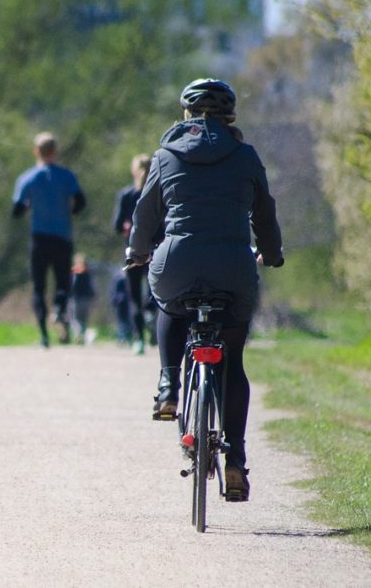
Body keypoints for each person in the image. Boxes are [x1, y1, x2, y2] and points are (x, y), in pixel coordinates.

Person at [126, 78, 283, 502]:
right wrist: (271, 253)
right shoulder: (246, 156)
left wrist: (137, 253)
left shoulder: (164, 155)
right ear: (231, 117)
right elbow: (264, 215)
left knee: (169, 303)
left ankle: (168, 385)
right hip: (233, 268)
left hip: (177, 263)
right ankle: (235, 459)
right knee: (233, 361)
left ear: (186, 115)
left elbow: (144, 215)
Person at [11, 131, 86, 348]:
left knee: (39, 287)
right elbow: (81, 202)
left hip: (39, 238)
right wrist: (70, 212)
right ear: (55, 151)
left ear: (36, 151)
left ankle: (44, 336)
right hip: (63, 236)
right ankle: (59, 309)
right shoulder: (67, 176)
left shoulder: (27, 178)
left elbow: (16, 210)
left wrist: (28, 206)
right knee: (63, 282)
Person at [112, 154, 156, 355]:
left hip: (132, 251)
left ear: (133, 171)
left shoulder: (126, 195)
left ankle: (139, 339)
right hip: (155, 250)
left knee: (134, 298)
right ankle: (151, 314)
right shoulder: (158, 193)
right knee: (155, 290)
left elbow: (117, 225)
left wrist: (126, 227)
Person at [69, 253, 96, 344]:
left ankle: (79, 334)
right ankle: (82, 337)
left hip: (77, 299)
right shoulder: (88, 272)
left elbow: (73, 285)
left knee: (74, 319)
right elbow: (91, 286)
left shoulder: (75, 272)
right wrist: (92, 296)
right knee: (84, 319)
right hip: (86, 299)